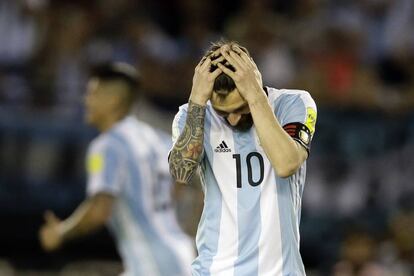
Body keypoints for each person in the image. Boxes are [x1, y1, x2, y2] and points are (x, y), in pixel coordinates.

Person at [169, 41, 317, 275]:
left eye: (241, 108)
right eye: (224, 113)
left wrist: (256, 96)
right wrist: (197, 100)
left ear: (254, 82)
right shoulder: (192, 115)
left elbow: (286, 163)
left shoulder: (293, 104)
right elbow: (180, 173)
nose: (234, 120)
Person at [39, 62, 194, 276]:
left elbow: (99, 210)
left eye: (93, 93)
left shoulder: (106, 146)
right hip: (180, 253)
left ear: (113, 100)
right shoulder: (157, 139)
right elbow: (182, 181)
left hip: (151, 263)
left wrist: (61, 232)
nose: (86, 100)